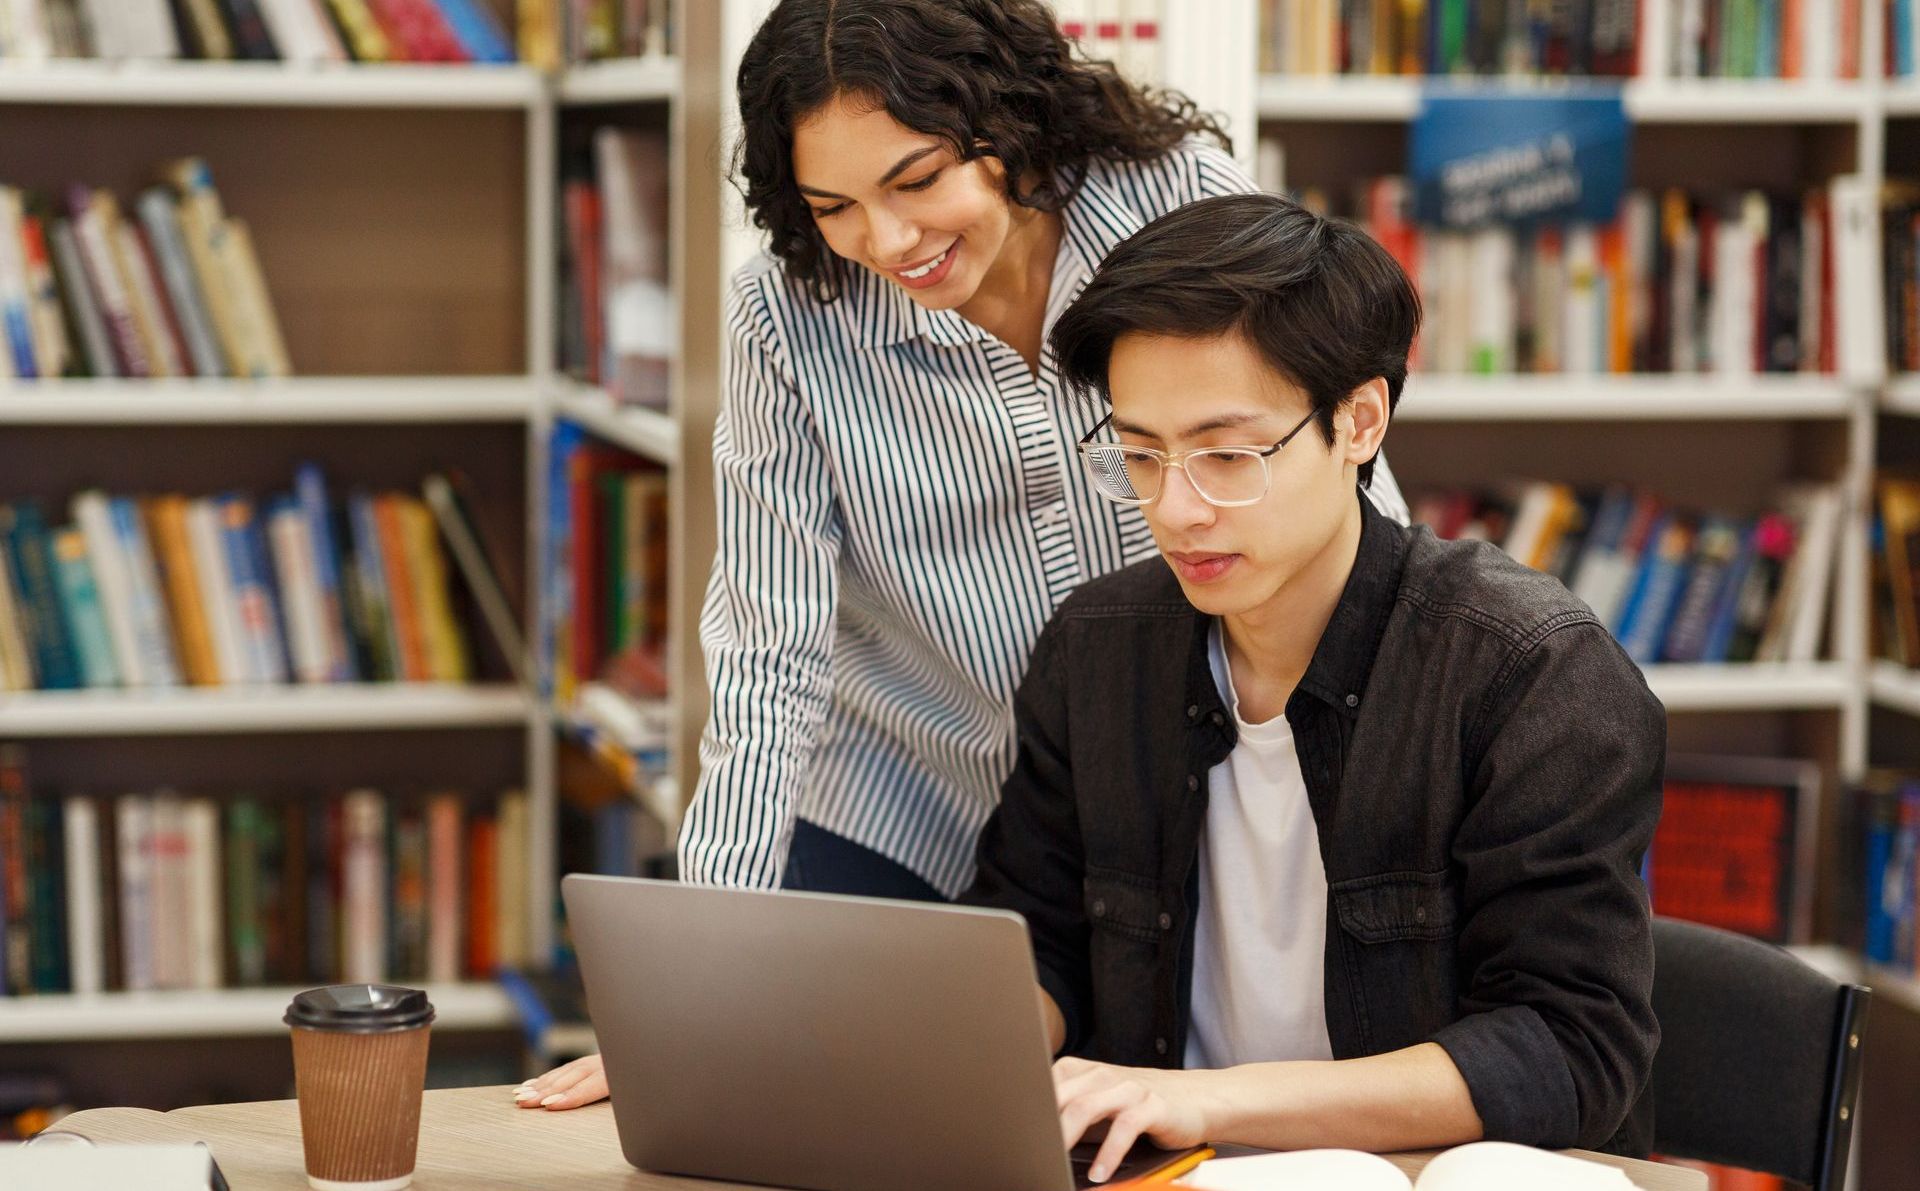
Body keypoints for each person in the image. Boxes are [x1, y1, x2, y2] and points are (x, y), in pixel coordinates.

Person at [519, 0, 1407, 1113]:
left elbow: (1332, 479)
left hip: (1167, 780)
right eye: (833, 204)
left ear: (1010, 121)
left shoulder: (1178, 197)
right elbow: (766, 654)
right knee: (794, 1104)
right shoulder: (785, 322)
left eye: (917, 178)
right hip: (905, 789)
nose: (888, 243)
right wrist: (699, 989)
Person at [959, 191, 1664, 1183]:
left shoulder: (1525, 668)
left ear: (1359, 421)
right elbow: (1036, 944)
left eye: (1228, 455)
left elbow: (1571, 1046)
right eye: (1140, 453)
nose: (1177, 508)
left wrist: (1197, 1097)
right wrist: (972, 1059)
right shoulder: (1098, 652)